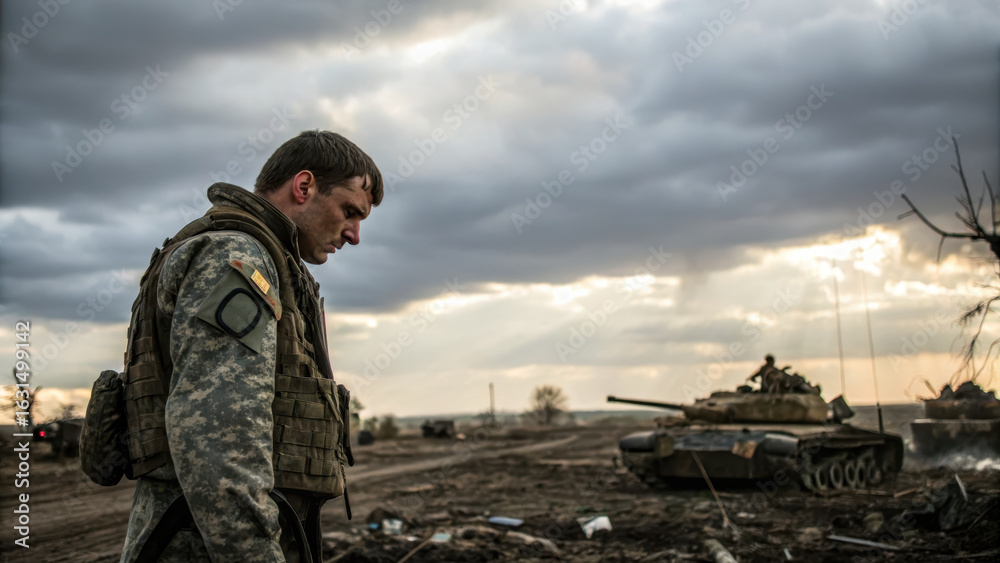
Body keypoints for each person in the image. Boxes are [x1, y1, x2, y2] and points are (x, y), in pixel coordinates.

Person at [118, 130, 383, 562]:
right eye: (350, 211)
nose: (353, 234)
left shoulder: (262, 257)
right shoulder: (237, 257)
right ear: (304, 186)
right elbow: (219, 438)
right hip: (201, 544)